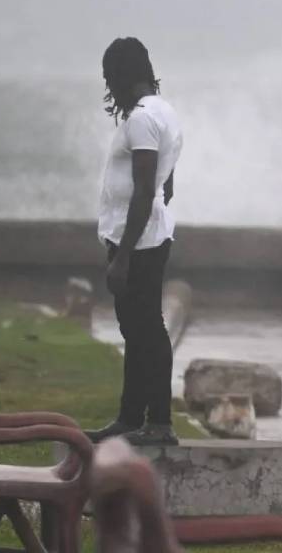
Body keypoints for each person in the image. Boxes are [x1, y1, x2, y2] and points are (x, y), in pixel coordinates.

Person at [86, 37, 184, 446]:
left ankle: (158, 422)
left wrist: (122, 256)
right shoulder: (164, 111)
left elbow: (146, 190)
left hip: (138, 242)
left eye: (110, 77)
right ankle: (131, 418)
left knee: (147, 329)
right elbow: (167, 183)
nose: (108, 87)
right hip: (150, 235)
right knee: (138, 328)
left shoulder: (142, 119)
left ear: (121, 77)